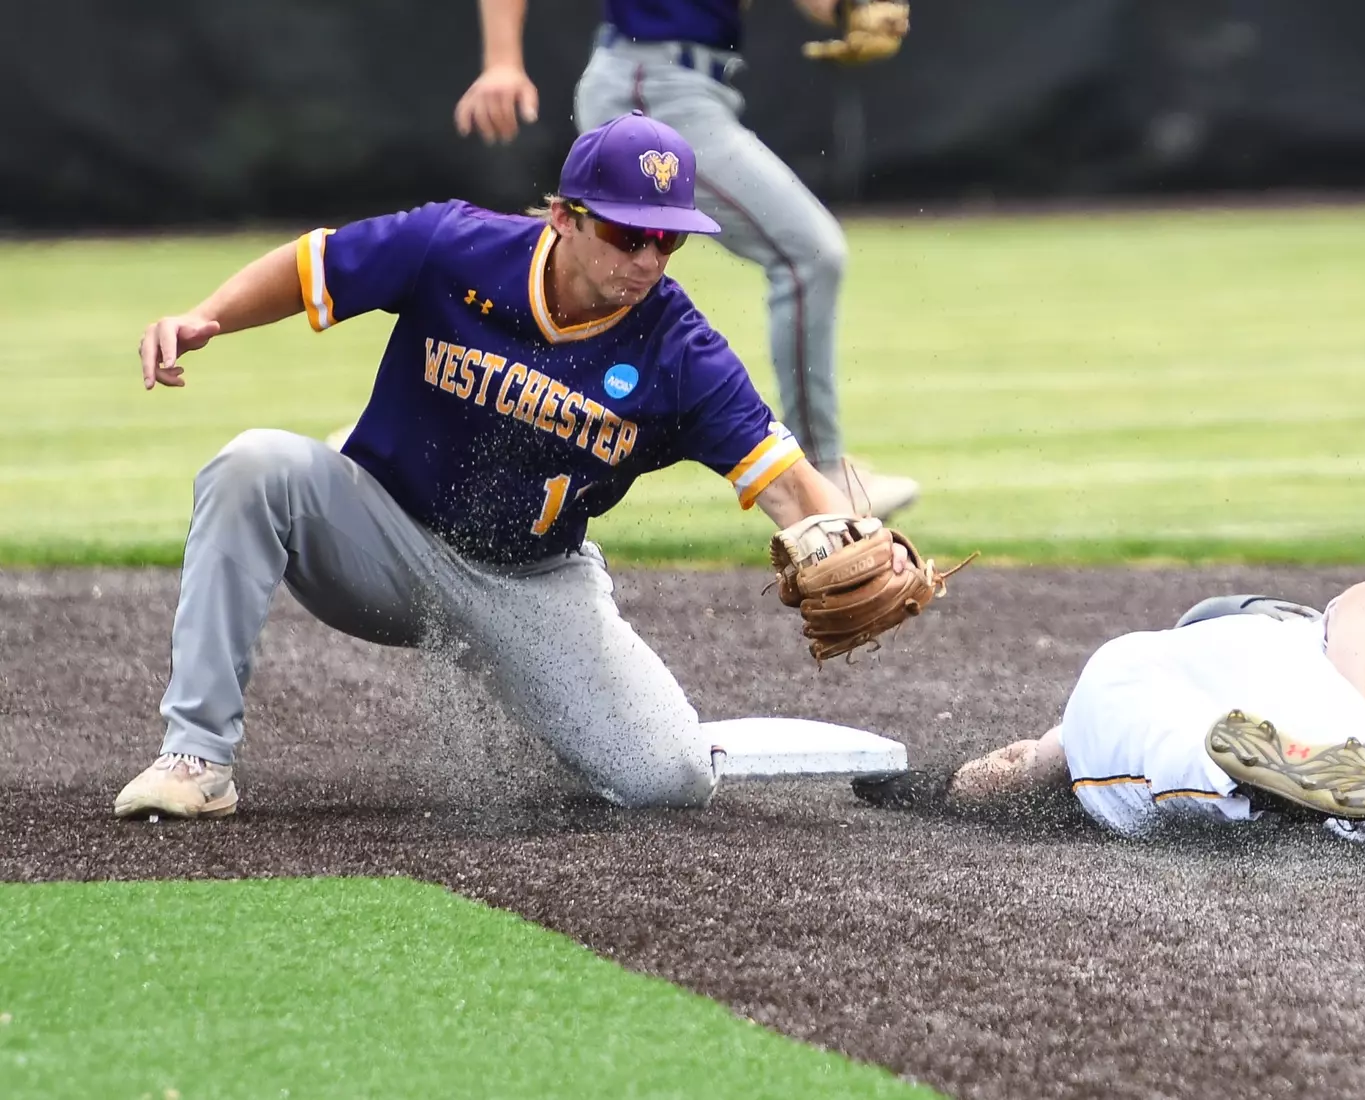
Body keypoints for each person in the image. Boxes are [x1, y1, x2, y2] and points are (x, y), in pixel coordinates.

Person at [115, 112, 912, 821]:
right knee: (252, 465)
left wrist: (838, 534)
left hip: (532, 584)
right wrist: (206, 317)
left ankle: (536, 692)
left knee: (667, 780)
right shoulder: (455, 247)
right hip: (386, 541)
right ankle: (196, 758)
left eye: (668, 239)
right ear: (565, 217)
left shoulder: (681, 350)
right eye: (628, 234)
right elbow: (312, 266)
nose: (648, 258)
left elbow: (783, 482)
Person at [439, 0, 921, 519]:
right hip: (654, 82)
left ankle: (432, 420)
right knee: (809, 254)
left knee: (576, 278)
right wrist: (503, 60)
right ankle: (822, 474)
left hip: (690, 85)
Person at [852, 582, 1365, 850]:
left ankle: (1241, 774)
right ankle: (1357, 769)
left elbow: (1028, 764)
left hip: (1144, 681)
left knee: (1127, 754)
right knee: (1359, 736)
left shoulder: (1164, 652)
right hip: (1336, 709)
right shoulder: (1318, 640)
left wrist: (933, 788)